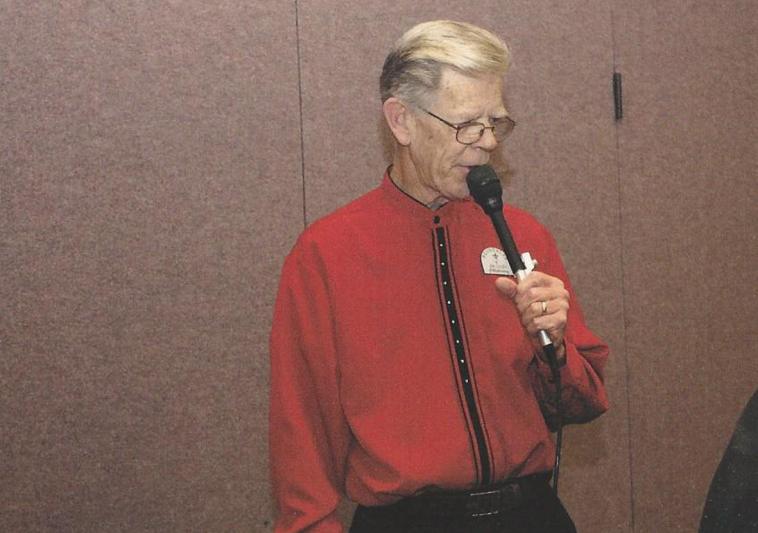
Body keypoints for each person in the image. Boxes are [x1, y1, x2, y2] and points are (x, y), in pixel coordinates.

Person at [269, 20, 609, 533]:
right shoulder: (328, 254)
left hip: (531, 515)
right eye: (466, 124)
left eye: (495, 122)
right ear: (402, 121)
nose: (486, 143)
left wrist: (555, 349)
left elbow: (580, 404)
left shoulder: (523, 236)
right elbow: (302, 443)